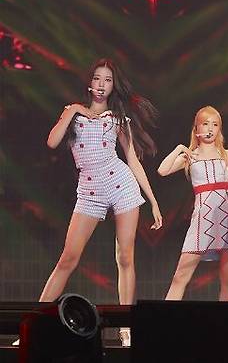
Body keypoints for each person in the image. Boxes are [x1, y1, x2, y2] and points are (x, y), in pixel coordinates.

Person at [41, 58, 162, 347]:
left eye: (107, 80)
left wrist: (153, 201)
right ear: (89, 82)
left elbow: (132, 160)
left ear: (112, 86)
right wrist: (72, 110)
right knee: (68, 259)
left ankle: (126, 328)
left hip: (121, 185)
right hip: (89, 191)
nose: (101, 85)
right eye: (97, 78)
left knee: (125, 257)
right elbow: (52, 142)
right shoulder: (73, 113)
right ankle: (32, 323)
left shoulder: (117, 118)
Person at [158, 106, 228, 301]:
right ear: (197, 128)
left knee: (227, 280)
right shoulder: (190, 156)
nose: (210, 129)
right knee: (180, 276)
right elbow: (162, 171)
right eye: (205, 124)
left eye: (215, 124)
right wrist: (180, 149)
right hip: (202, 218)